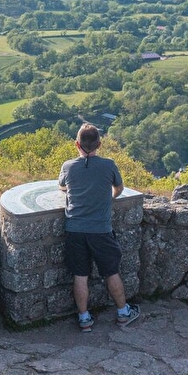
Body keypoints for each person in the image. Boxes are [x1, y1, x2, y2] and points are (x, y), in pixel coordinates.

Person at [58, 122, 139, 332]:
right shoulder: (109, 165)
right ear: (99, 144)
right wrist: (108, 198)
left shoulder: (68, 166)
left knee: (80, 275)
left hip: (74, 228)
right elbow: (119, 188)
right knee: (111, 271)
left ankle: (84, 319)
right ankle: (123, 313)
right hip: (101, 229)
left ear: (76, 144)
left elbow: (62, 187)